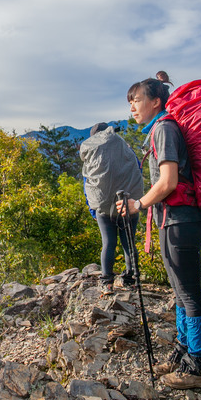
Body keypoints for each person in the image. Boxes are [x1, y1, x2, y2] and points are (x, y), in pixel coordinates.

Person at [116, 77, 201, 389]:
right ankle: (184, 352)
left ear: (156, 102)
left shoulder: (164, 128)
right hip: (174, 220)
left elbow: (168, 181)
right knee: (180, 290)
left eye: (137, 99)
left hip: (180, 221)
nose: (132, 106)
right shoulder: (163, 128)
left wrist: (138, 204)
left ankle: (200, 365)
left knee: (188, 292)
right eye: (129, 101)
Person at [80, 122, 144, 296]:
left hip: (104, 208)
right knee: (128, 243)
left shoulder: (93, 155)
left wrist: (93, 210)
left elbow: (88, 185)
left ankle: (107, 282)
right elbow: (138, 169)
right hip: (127, 203)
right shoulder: (126, 149)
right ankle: (131, 280)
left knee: (108, 243)